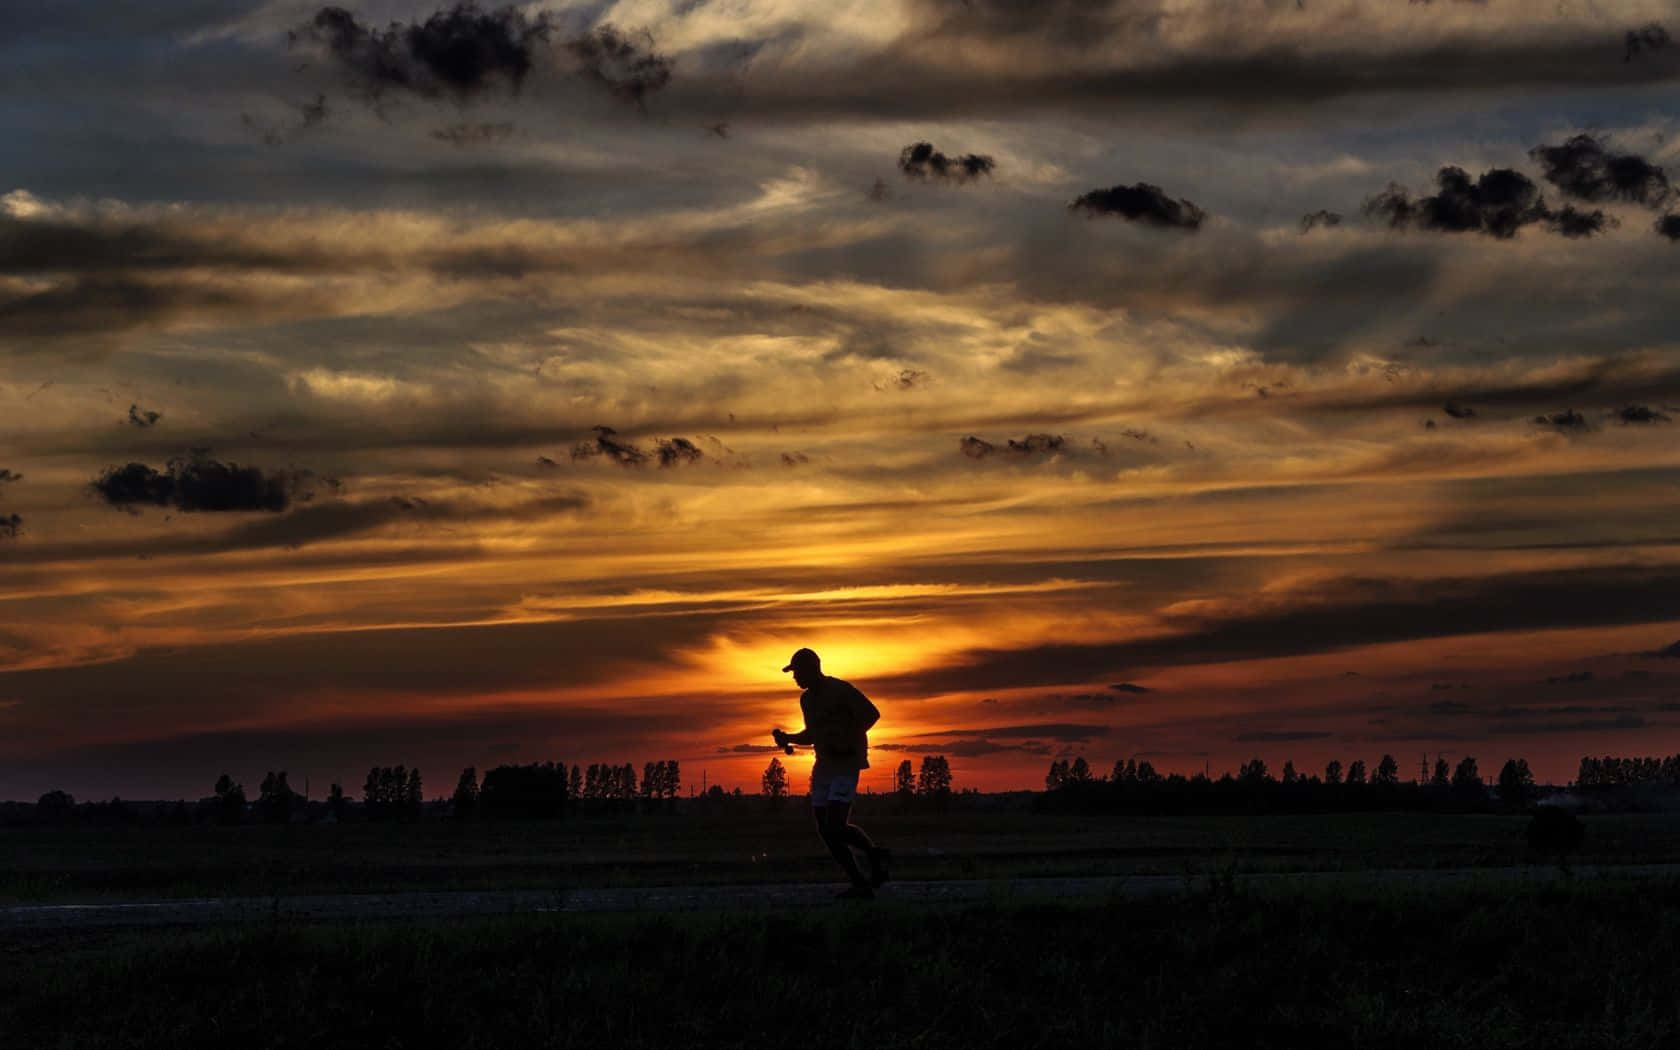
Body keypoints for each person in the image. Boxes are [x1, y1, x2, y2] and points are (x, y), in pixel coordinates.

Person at [772, 647, 891, 899]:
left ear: (812, 668)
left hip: (846, 764)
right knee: (825, 829)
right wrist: (789, 738)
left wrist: (848, 739)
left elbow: (872, 714)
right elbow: (812, 734)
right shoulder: (806, 700)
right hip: (824, 765)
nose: (795, 678)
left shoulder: (840, 690)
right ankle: (861, 881)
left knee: (835, 825)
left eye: (797, 672)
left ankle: (873, 855)